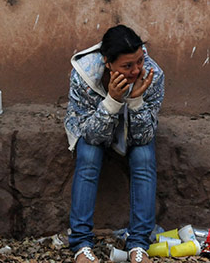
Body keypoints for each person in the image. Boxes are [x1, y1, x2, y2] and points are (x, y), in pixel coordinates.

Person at [64, 25, 165, 263]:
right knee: (88, 156)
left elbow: (144, 136)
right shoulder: (84, 75)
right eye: (127, 66)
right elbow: (91, 136)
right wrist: (112, 101)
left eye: (139, 60)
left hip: (133, 129)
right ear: (108, 62)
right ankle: (80, 243)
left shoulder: (152, 74)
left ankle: (139, 243)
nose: (136, 70)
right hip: (94, 125)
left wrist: (137, 99)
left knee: (144, 157)